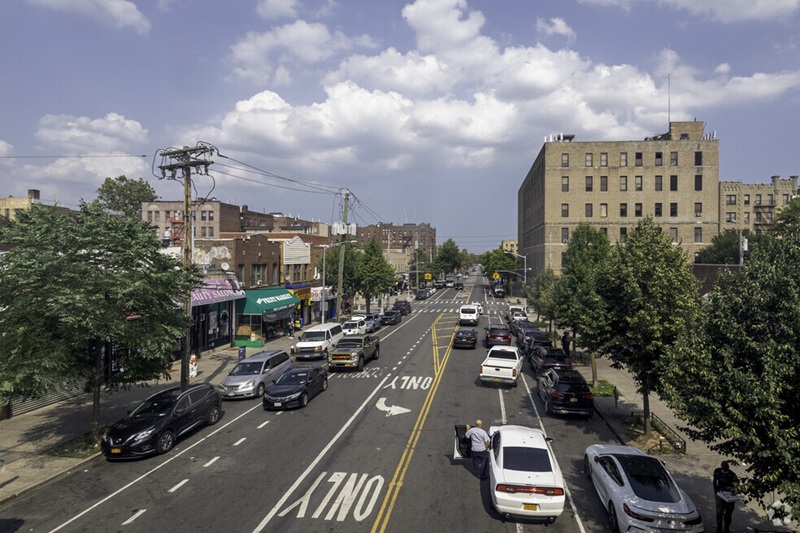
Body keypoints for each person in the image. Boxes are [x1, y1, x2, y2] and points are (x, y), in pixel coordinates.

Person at [713, 460, 738, 533]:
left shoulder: (731, 474)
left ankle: (726, 527)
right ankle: (719, 528)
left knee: (728, 513)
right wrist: (715, 490)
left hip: (729, 495)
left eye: (726, 468)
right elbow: (715, 481)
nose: (725, 469)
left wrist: (733, 492)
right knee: (719, 512)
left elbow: (737, 483)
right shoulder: (717, 471)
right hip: (720, 494)